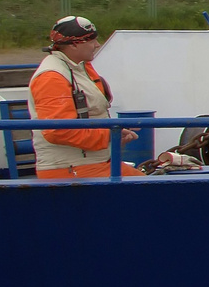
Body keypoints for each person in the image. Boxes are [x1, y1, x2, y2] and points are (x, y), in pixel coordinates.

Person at [29, 15, 144, 179]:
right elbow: (58, 131)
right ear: (75, 44)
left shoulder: (79, 67)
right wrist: (110, 134)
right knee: (152, 195)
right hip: (72, 169)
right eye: (92, 41)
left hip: (93, 164)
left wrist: (113, 133)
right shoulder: (52, 77)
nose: (97, 45)